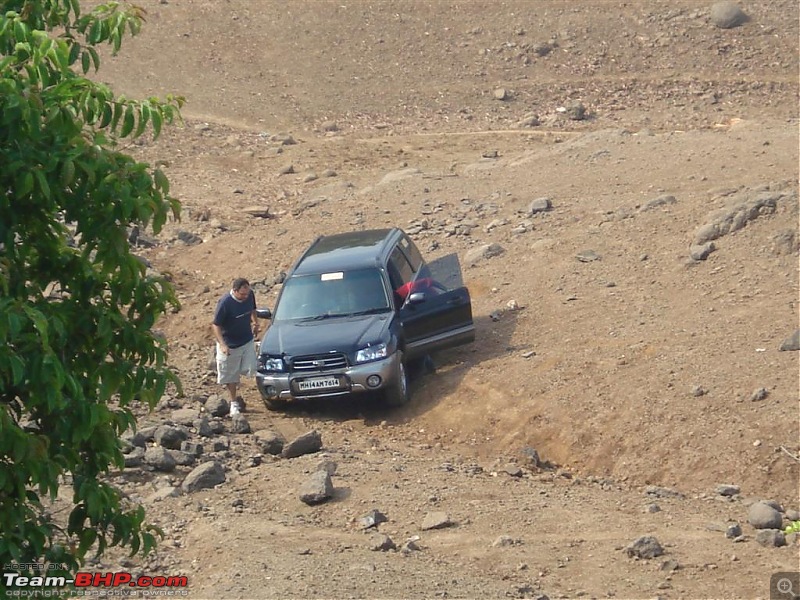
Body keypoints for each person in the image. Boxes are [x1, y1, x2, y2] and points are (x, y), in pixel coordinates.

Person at [211, 277, 260, 416]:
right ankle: (234, 403)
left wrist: (256, 323)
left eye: (247, 293)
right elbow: (216, 325)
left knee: (251, 368)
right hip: (230, 343)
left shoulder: (250, 295)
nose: (245, 297)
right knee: (231, 376)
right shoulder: (225, 303)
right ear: (235, 291)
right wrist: (222, 344)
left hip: (246, 340)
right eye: (242, 294)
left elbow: (253, 309)